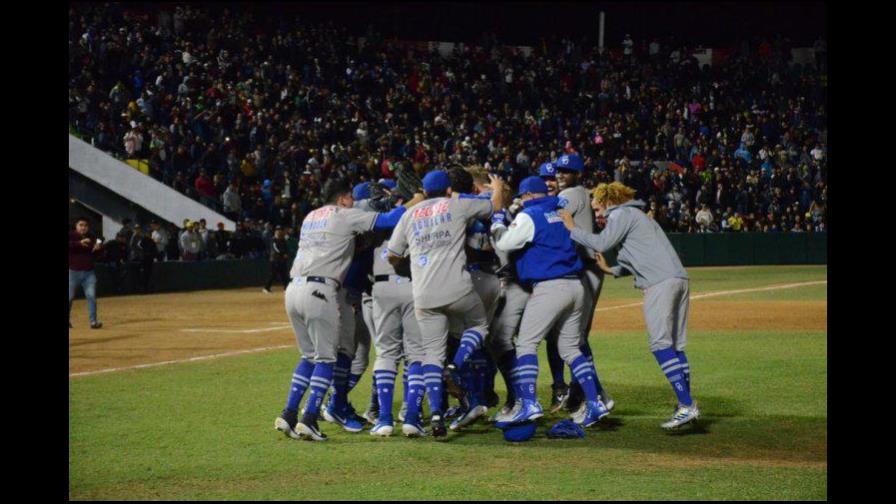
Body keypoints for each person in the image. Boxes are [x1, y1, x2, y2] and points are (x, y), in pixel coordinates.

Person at [274, 178, 422, 442]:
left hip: (292, 288)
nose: (353, 204)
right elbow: (390, 220)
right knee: (326, 358)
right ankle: (309, 418)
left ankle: (288, 413)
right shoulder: (343, 215)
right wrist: (416, 199)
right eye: (350, 199)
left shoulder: (310, 216)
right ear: (342, 199)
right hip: (321, 290)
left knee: (308, 356)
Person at [560, 182, 699, 430]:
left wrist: (572, 228)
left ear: (606, 199)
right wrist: (611, 270)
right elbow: (635, 255)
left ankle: (687, 405)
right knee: (675, 346)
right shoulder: (637, 215)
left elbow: (601, 243)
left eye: (595, 202)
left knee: (660, 345)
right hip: (677, 279)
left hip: (659, 283)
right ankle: (684, 403)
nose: (593, 207)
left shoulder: (621, 214)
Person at [386, 169, 506, 438]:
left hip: (424, 295)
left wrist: (412, 262)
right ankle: (457, 364)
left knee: (431, 354)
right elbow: (494, 206)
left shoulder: (408, 215)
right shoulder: (456, 203)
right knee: (479, 326)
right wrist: (497, 186)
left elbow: (392, 255)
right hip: (458, 289)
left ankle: (437, 415)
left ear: (425, 191)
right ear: (449, 189)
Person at [491, 176, 609, 427]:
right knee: (570, 348)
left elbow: (503, 242)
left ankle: (529, 402)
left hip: (550, 286)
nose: (521, 201)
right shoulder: (561, 211)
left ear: (529, 195)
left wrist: (498, 222)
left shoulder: (530, 214)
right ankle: (595, 402)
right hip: (576, 286)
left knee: (525, 344)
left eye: (523, 197)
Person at [552, 153, 612, 418]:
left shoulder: (573, 193)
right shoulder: (577, 193)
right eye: (559, 170)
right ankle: (580, 393)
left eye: (566, 171)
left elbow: (553, 221)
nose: (560, 174)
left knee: (574, 338)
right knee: (573, 337)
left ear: (577, 174)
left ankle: (597, 395)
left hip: (583, 270)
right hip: (585, 269)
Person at [69, 217, 103, 329]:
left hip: (89, 272)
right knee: (69, 297)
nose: (83, 227)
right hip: (73, 272)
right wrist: (79, 243)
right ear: (76, 226)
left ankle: (93, 322)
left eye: (86, 225)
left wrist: (98, 249)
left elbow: (97, 255)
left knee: (91, 296)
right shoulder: (71, 235)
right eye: (81, 225)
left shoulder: (92, 237)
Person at [263, 226, 290, 293]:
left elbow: (286, 248)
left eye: (280, 230)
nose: (279, 231)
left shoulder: (283, 240)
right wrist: (283, 254)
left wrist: (286, 254)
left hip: (282, 260)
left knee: (284, 275)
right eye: (277, 230)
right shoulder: (273, 240)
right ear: (275, 231)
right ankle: (266, 288)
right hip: (275, 260)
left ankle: (286, 288)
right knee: (272, 275)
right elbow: (275, 248)